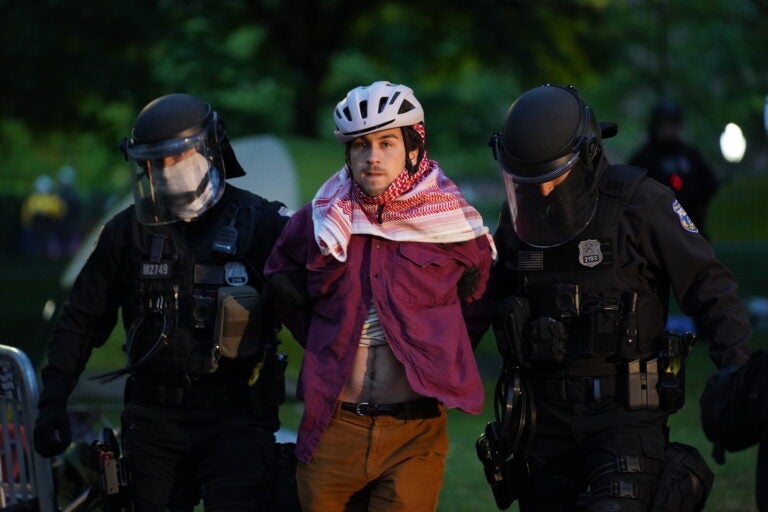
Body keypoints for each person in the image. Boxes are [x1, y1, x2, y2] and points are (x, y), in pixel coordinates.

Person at [481, 84, 752, 512]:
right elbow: (484, 296)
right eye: (531, 182)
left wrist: (738, 376)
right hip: (542, 421)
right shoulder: (519, 215)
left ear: (587, 156)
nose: (544, 192)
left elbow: (709, 286)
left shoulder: (642, 203)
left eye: (553, 177)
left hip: (625, 415)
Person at [32, 93, 296, 511]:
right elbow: (80, 318)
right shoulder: (126, 232)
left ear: (210, 149)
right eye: (154, 163)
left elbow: (317, 318)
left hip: (237, 418)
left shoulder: (263, 224)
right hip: (153, 420)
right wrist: (53, 399)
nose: (165, 172)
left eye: (176, 158)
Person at [264, 80, 495, 511]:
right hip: (333, 425)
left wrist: (441, 347)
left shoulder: (453, 224)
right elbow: (280, 279)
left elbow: (479, 293)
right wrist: (323, 341)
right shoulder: (318, 219)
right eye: (360, 145)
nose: (372, 157)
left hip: (414, 431)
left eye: (386, 143)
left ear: (412, 148)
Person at [628, 99, 720, 238]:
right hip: (656, 229)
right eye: (665, 124)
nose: (669, 129)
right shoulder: (644, 158)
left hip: (691, 225)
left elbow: (709, 183)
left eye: (673, 124)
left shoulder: (689, 155)